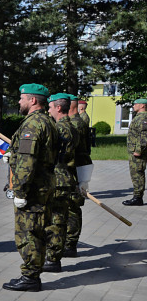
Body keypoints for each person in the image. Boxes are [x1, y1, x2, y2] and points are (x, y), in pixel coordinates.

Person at [3, 83, 57, 292]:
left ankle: (30, 277)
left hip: (33, 189)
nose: (19, 102)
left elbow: (28, 161)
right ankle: (33, 273)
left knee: (29, 233)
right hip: (44, 185)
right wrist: (13, 155)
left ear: (32, 100)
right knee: (38, 230)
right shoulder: (47, 121)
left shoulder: (32, 125)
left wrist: (20, 191)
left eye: (22, 98)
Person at [43, 93, 77, 273]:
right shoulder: (70, 126)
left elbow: (51, 154)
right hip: (64, 177)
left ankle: (53, 259)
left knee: (55, 220)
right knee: (60, 219)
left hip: (57, 178)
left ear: (58, 107)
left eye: (49, 107)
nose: (48, 111)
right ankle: (54, 256)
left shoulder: (60, 128)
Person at [64, 94, 91, 257]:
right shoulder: (76, 122)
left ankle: (70, 244)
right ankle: (69, 242)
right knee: (71, 208)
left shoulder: (75, 124)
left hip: (74, 172)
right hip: (76, 170)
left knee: (72, 209)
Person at [123, 98, 147, 206]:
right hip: (135, 151)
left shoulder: (142, 118)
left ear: (142, 105)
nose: (133, 106)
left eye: (135, 104)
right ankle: (137, 196)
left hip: (138, 153)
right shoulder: (139, 117)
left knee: (138, 174)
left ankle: (138, 198)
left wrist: (138, 150)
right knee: (136, 174)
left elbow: (144, 137)